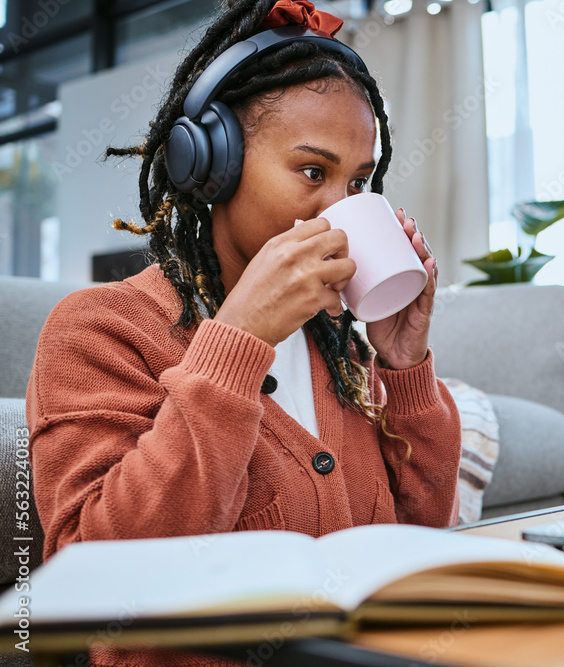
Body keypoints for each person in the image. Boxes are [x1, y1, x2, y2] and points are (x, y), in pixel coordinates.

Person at [25, 1, 462, 665]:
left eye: (359, 181)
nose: (341, 207)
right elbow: (101, 602)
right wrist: (236, 341)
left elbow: (422, 539)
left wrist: (404, 367)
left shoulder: (336, 350)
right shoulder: (98, 330)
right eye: (313, 172)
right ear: (211, 164)